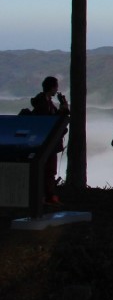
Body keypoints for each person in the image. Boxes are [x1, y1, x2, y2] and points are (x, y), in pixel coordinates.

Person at [30, 76, 69, 204]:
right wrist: (61, 110)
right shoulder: (43, 103)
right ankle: (45, 195)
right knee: (48, 169)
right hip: (46, 142)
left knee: (49, 170)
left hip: (49, 142)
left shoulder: (46, 102)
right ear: (52, 87)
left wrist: (63, 109)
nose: (57, 89)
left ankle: (47, 195)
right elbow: (50, 121)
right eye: (56, 87)